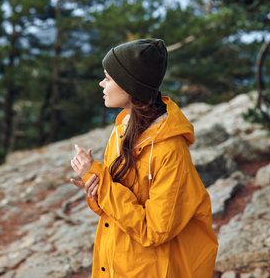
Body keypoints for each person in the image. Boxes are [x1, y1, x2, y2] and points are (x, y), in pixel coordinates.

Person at [70, 38, 218, 277]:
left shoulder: (170, 151)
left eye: (108, 78)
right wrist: (95, 190)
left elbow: (154, 230)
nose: (101, 83)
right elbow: (117, 208)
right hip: (115, 265)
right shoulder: (121, 129)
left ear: (130, 86)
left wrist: (104, 185)